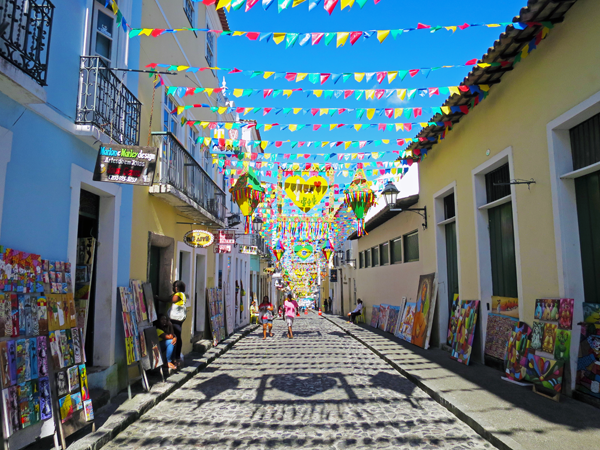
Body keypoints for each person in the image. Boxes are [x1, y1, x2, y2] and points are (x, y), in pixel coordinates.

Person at [156, 280, 187, 367]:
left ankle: (175, 357)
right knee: (175, 337)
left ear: (178, 288)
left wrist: (157, 298)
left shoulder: (179, 294)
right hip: (175, 319)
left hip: (176, 319)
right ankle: (174, 357)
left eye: (174, 286)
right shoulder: (177, 294)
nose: (173, 288)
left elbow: (168, 300)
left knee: (175, 337)